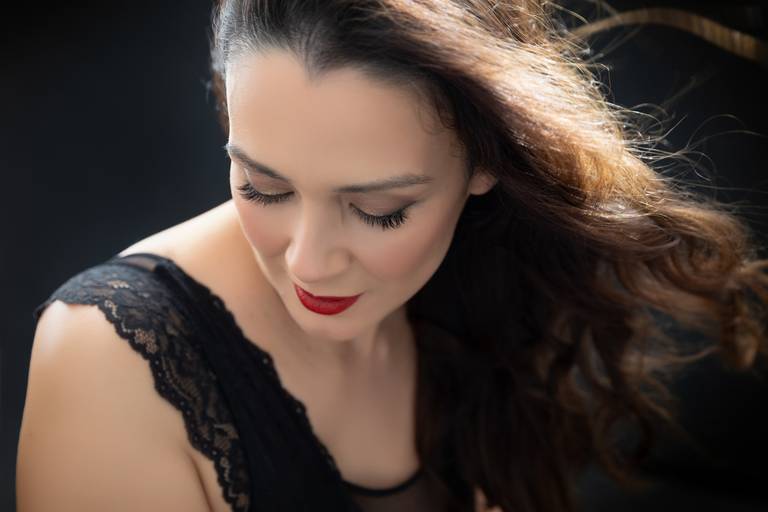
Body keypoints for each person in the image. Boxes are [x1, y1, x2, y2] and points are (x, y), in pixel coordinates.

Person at [16, 1, 768, 511]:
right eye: (262, 188)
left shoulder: (487, 275)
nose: (309, 263)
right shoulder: (107, 359)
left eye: (380, 210)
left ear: (486, 163)